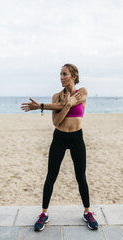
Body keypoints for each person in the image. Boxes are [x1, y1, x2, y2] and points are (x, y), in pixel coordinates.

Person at [21, 63, 98, 232]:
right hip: (60, 138)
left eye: (65, 74)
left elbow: (68, 103)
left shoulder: (82, 92)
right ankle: (44, 214)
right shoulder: (56, 96)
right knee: (51, 176)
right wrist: (67, 106)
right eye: (60, 74)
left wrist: (40, 106)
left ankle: (87, 212)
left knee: (81, 177)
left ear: (74, 76)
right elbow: (56, 122)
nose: (61, 77)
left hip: (77, 137)